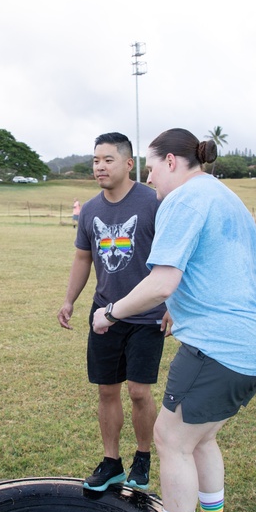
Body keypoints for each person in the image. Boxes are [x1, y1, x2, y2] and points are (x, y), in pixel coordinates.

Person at [92, 128, 256, 512]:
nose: (149, 176)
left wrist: (110, 313)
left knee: (170, 440)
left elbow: (162, 282)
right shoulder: (222, 194)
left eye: (152, 166)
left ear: (173, 162)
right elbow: (223, 267)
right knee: (200, 437)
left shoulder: (182, 200)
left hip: (222, 348)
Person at [57, 132, 165, 492]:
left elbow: (178, 259)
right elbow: (82, 258)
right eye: (95, 160)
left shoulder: (153, 202)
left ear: (129, 163)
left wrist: (175, 307)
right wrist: (70, 299)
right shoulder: (89, 210)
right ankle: (111, 462)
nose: (99, 167)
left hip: (148, 314)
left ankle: (143, 457)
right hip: (104, 314)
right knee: (107, 391)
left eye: (108, 160)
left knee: (138, 391)